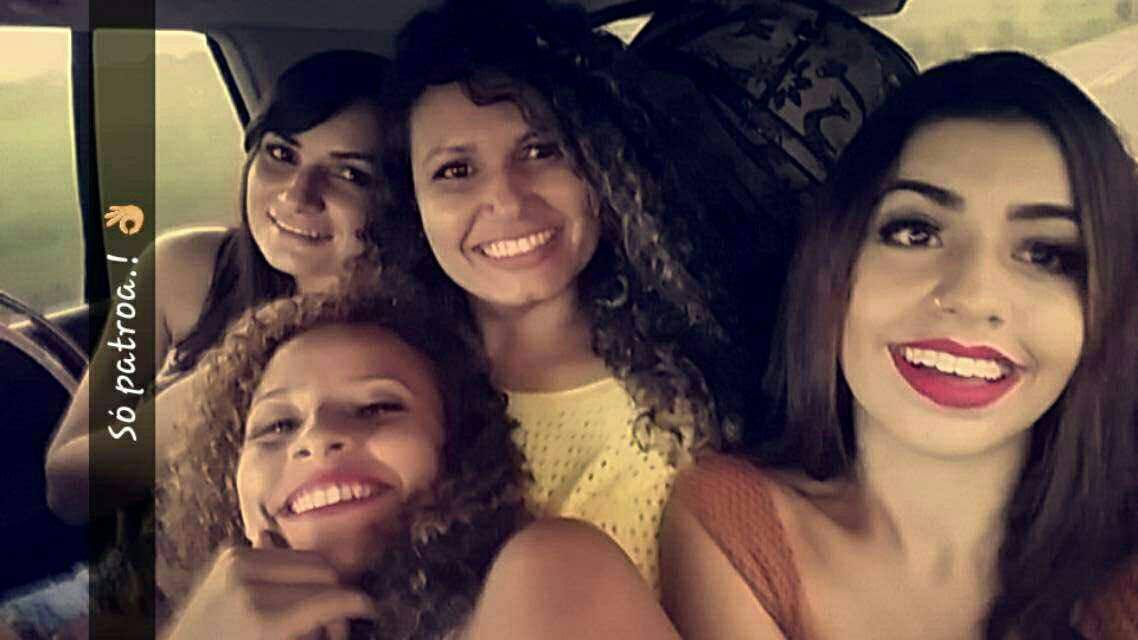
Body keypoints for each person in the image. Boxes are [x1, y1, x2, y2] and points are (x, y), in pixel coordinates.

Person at [660, 52, 1138, 639]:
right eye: (916, 232)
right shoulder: (733, 524)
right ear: (834, 260)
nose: (972, 295)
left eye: (1045, 254)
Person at [372, 0, 735, 591]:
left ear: (603, 170)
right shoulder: (370, 387)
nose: (508, 199)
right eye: (456, 171)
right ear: (412, 206)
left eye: (542, 151)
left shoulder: (702, 405)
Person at [158, 289, 678, 640]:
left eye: (377, 407)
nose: (316, 438)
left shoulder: (552, 572)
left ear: (459, 446)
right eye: (277, 425)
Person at [45, 49, 390, 526]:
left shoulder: (400, 340)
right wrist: (223, 381)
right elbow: (68, 487)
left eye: (350, 174)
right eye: (281, 154)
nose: (296, 194)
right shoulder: (179, 269)